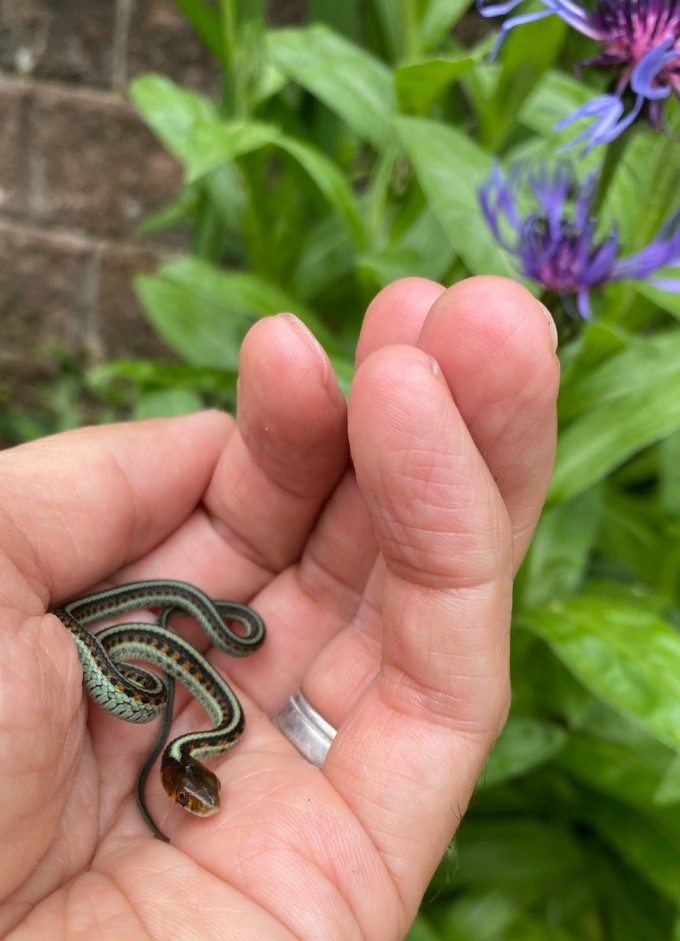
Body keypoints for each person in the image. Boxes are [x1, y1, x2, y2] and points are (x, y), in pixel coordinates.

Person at [0, 276, 559, 938]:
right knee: (154, 660)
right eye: (193, 798)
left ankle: (192, 616)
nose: (200, 804)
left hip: (155, 665)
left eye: (193, 796)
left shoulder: (218, 725)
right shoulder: (192, 712)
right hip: (125, 666)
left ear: (189, 767)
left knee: (203, 645)